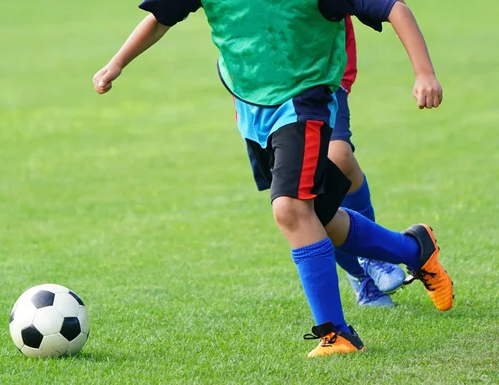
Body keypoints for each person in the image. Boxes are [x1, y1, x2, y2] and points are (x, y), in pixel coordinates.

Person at [93, 0, 454, 357]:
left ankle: (336, 332)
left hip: (304, 101)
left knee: (291, 210)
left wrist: (424, 73)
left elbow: (395, 9)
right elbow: (161, 16)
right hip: (252, 108)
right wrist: (116, 64)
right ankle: (416, 250)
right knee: (321, 218)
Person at [245, 15, 405, 308]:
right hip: (258, 99)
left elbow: (393, 8)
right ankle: (364, 274)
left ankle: (374, 257)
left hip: (319, 80)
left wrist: (424, 73)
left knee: (339, 156)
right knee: (309, 203)